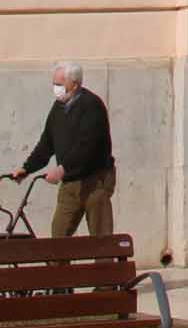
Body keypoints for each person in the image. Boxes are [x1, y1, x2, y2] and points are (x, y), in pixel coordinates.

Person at [9, 62, 116, 236]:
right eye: (54, 84)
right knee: (58, 235)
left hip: (95, 181)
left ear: (74, 84)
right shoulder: (58, 107)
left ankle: (105, 263)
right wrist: (26, 168)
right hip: (70, 183)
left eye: (59, 84)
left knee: (101, 238)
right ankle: (58, 264)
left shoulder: (92, 105)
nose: (56, 88)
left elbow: (87, 147)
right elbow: (46, 144)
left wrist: (62, 169)